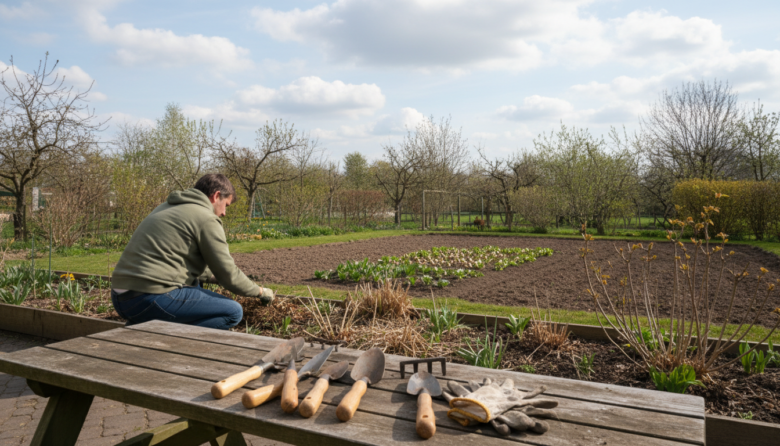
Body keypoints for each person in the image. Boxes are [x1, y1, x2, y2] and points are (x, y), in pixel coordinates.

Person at [110, 173, 274, 330]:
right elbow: (228, 273)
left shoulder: (166, 207)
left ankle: (141, 328)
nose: (224, 213)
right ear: (216, 196)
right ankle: (162, 338)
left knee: (196, 285)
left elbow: (174, 258)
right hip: (150, 298)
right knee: (233, 312)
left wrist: (211, 277)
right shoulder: (206, 218)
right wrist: (260, 292)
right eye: (226, 205)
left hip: (121, 298)